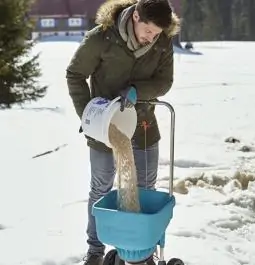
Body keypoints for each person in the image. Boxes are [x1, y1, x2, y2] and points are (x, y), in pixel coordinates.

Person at [66, 0, 179, 264]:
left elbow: (164, 81)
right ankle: (95, 250)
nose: (151, 38)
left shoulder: (163, 41)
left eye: (157, 34)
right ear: (136, 16)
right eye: (148, 31)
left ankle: (142, 250)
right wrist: (89, 115)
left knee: (145, 190)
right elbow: (74, 73)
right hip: (106, 128)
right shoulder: (102, 37)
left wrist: (139, 92)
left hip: (143, 126)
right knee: (101, 189)